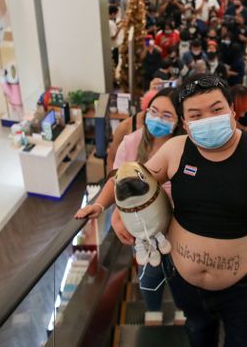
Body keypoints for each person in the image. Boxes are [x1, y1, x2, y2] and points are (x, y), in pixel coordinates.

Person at [78, 74, 247, 346]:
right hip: (185, 284)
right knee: (198, 335)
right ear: (185, 123)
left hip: (245, 290)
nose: (207, 119)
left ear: (231, 110)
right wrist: (101, 204)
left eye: (216, 110)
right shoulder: (176, 150)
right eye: (195, 114)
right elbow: (131, 177)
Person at [77, 88, 182, 325]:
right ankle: (153, 312)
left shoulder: (183, 146)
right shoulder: (132, 142)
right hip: (143, 232)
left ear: (178, 121)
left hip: (179, 230)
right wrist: (101, 206)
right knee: (148, 275)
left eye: (167, 115)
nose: (158, 118)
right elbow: (116, 180)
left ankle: (182, 311)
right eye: (154, 111)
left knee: (180, 276)